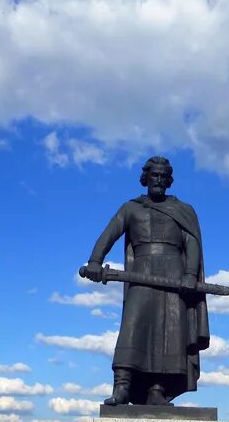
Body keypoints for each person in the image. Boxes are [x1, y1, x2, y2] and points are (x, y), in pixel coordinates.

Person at [83, 156, 210, 405]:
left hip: (175, 276)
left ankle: (157, 389)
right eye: (155, 175)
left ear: (169, 180)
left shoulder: (184, 210)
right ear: (146, 178)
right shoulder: (130, 208)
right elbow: (108, 234)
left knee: (170, 332)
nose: (159, 180)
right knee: (133, 327)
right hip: (141, 272)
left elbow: (192, 243)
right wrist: (95, 262)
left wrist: (189, 275)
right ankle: (122, 387)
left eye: (164, 176)